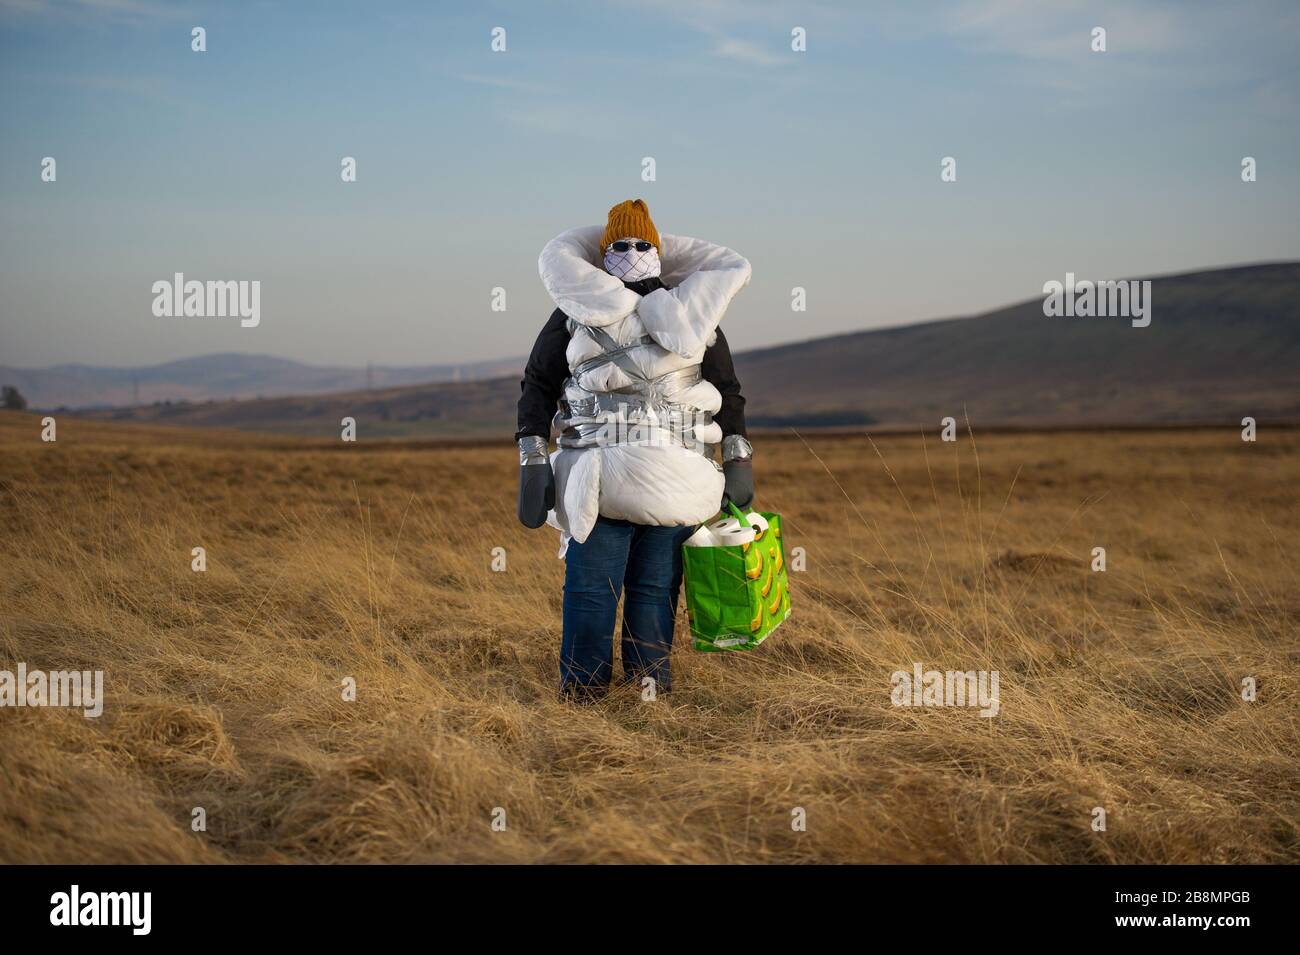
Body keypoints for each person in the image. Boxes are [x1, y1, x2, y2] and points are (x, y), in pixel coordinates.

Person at [515, 199, 754, 701]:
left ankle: (649, 696)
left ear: (659, 253)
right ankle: (584, 697)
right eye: (618, 246)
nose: (631, 253)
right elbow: (538, 384)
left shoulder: (696, 313)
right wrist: (532, 458)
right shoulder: (573, 315)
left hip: (677, 475)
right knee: (590, 591)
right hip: (598, 476)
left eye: (642, 245)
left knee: (654, 594)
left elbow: (727, 390)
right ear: (601, 255)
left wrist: (738, 456)